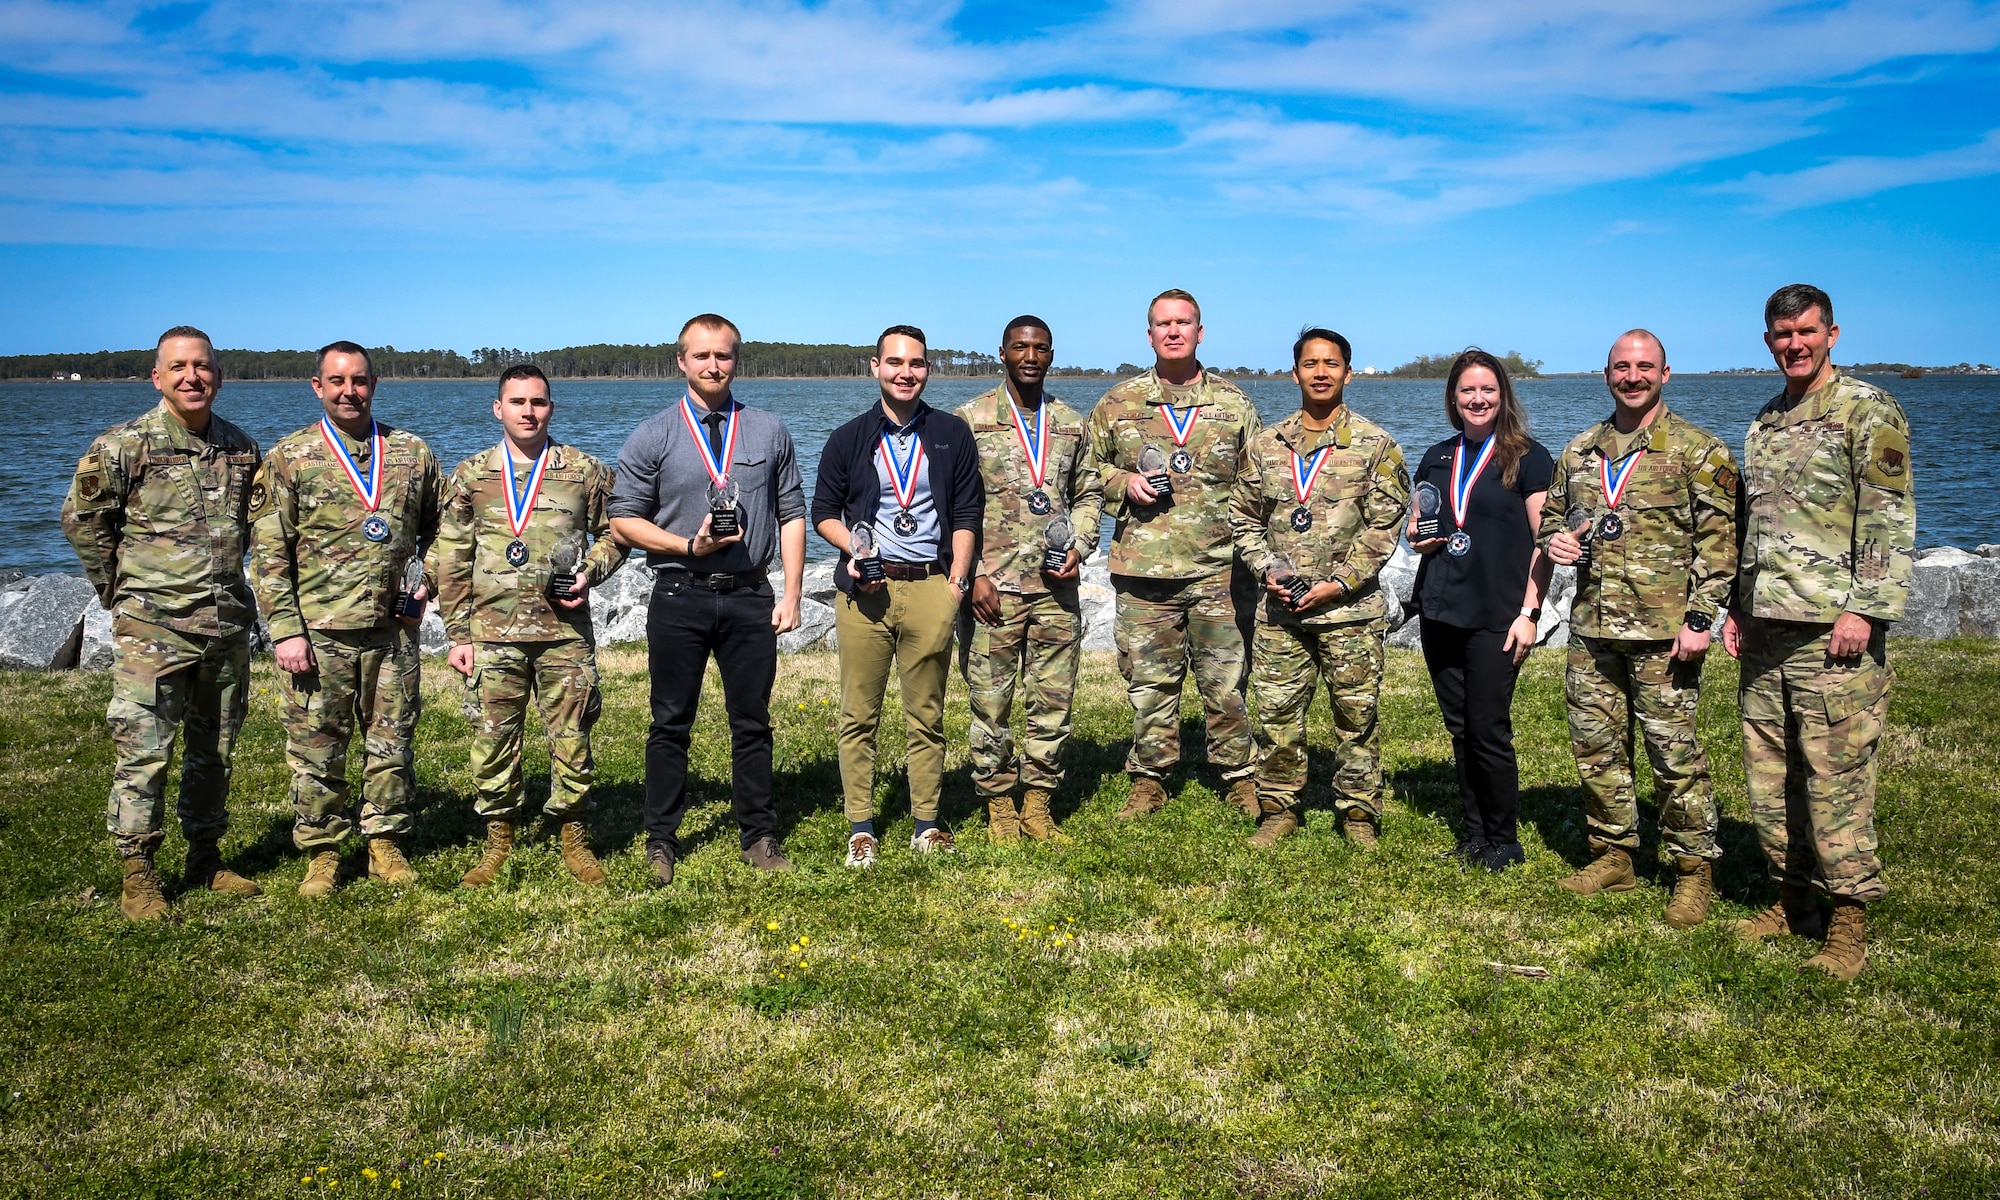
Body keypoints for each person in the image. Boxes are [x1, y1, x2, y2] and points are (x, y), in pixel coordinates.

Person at [1722, 284, 1914, 980]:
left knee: (1837, 779)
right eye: (1781, 334)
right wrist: (1738, 609)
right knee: (1771, 778)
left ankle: (1848, 921)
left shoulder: (1867, 411)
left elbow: (1888, 517)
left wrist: (1866, 608)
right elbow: (1759, 530)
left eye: (1805, 332)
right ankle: (1791, 899)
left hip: (1833, 632)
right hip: (1768, 630)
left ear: (1832, 333)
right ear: (1767, 340)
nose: (1793, 344)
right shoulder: (1767, 420)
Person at [61, 327, 264, 920]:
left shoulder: (240, 448)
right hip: (155, 631)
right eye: (177, 367)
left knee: (215, 751)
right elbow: (82, 521)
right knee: (144, 752)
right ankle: (139, 872)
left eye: (201, 367)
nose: (190, 377)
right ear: (158, 377)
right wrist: (119, 593)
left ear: (219, 376)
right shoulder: (125, 446)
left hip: (225, 629)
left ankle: (205, 856)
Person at [1540, 330, 1739, 926]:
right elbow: (1551, 515)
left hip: (1664, 632)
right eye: (1621, 368)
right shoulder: (1580, 452)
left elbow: (1720, 544)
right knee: (1596, 748)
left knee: (1673, 755)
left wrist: (1701, 620)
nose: (1632, 377)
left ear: (1666, 373)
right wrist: (1552, 540)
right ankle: (1614, 854)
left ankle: (1692, 868)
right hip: (1593, 627)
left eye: (1643, 366)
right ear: (1606, 375)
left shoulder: (1699, 452)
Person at [609, 314, 808, 886]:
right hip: (680, 594)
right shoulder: (654, 434)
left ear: (736, 361)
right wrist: (684, 546)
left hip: (750, 595)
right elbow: (623, 518)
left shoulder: (769, 430)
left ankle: (759, 834)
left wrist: (791, 592)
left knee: (752, 721)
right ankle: (661, 840)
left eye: (723, 356)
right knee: (670, 721)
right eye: (701, 356)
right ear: (681, 361)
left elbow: (793, 512)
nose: (713, 365)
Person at [249, 341, 442, 897]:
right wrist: (284, 630)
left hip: (392, 631)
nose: (348, 391)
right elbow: (268, 554)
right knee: (317, 747)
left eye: (358, 380)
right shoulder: (291, 457)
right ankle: (323, 851)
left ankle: (385, 841)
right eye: (336, 381)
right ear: (318, 387)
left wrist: (423, 577)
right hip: (319, 632)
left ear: (374, 384)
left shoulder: (411, 453)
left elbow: (442, 530)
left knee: (392, 741)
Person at [432, 364, 629, 889]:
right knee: (492, 738)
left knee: (573, 736)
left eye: (538, 402)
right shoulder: (471, 475)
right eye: (516, 402)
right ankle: (499, 838)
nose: (528, 411)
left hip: (563, 633)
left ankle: (574, 836)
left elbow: (616, 533)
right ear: (498, 408)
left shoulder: (582, 471)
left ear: (551, 408)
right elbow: (449, 557)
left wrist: (590, 572)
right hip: (490, 633)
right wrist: (456, 633)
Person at [1084, 289, 1262, 820]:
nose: (1174, 331)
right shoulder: (1117, 403)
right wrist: (1123, 484)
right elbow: (1085, 475)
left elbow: (1259, 483)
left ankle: (1238, 774)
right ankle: (1149, 777)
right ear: (1150, 335)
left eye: (1184, 323)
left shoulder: (1234, 405)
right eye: (1164, 324)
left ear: (1200, 332)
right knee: (1148, 679)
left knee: (1226, 677)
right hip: (1144, 570)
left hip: (1220, 570)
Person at [1231, 328, 1409, 849]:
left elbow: (1384, 527)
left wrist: (1339, 583)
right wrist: (1267, 569)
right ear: (1295, 373)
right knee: (1278, 715)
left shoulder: (1377, 447)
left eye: (1332, 363)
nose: (1321, 372)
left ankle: (1358, 813)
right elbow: (1242, 517)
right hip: (1282, 611)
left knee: (1356, 716)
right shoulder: (1265, 446)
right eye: (1311, 363)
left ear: (1348, 373)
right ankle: (1279, 806)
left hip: (1349, 612)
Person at [811, 325, 981, 867]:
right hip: (866, 592)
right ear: (875, 368)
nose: (906, 372)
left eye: (917, 363)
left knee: (926, 714)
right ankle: (861, 827)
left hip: (932, 585)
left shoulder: (952, 433)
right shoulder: (848, 438)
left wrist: (955, 583)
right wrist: (853, 550)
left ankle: (926, 824)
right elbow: (822, 513)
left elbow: (967, 515)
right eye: (895, 362)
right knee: (859, 713)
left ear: (927, 370)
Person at [955, 316, 1102, 844]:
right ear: (1003, 352)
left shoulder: (1070, 423)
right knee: (990, 703)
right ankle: (999, 806)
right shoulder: (969, 420)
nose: (1031, 356)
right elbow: (952, 505)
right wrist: (970, 574)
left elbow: (1088, 495)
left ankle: (1038, 805)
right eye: (1021, 347)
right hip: (991, 588)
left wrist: (1080, 546)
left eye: (1040, 348)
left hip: (1055, 590)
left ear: (1052, 354)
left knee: (1053, 701)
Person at [1409, 348, 1555, 872]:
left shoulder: (1528, 458)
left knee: (1488, 726)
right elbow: (1423, 528)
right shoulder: (1435, 455)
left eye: (1487, 390)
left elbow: (1546, 542)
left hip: (1498, 614)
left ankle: (1504, 839)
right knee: (1459, 727)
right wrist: (1418, 536)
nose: (1478, 399)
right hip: (1441, 608)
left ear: (1503, 395)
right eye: (1468, 390)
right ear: (1453, 396)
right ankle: (1473, 834)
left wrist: (1530, 613)